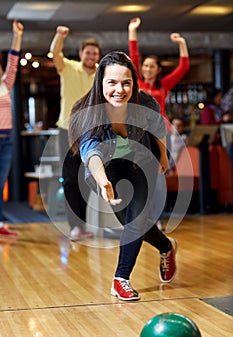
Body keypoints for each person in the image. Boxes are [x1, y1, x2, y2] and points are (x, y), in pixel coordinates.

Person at [69, 51, 177, 301]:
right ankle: (166, 246)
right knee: (132, 222)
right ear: (100, 83)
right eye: (112, 82)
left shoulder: (145, 103)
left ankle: (121, 279)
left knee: (135, 220)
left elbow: (158, 128)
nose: (120, 89)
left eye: (126, 82)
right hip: (109, 169)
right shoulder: (89, 113)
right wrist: (102, 179)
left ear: (134, 83)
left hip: (142, 163)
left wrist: (162, 155)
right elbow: (90, 151)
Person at [49, 26, 101, 240]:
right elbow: (55, 54)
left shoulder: (102, 74)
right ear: (81, 54)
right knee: (70, 179)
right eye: (88, 52)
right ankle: (75, 226)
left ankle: (83, 224)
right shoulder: (69, 68)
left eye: (95, 53)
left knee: (88, 179)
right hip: (68, 131)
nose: (91, 56)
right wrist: (59, 36)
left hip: (92, 132)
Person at [128, 17, 190, 125]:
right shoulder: (137, 82)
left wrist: (182, 43)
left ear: (158, 70)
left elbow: (183, 67)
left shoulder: (164, 85)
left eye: (152, 67)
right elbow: (134, 55)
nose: (148, 69)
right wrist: (132, 30)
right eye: (145, 66)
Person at [0, 20, 24, 238]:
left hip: (6, 140)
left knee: (0, 183)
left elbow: (13, 62)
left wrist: (17, 35)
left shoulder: (5, 85)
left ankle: (0, 223)